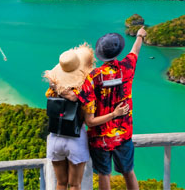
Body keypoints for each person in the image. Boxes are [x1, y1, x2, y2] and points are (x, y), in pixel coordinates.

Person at [44, 44, 129, 190]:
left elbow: (57, 95)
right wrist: (114, 114)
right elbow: (90, 121)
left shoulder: (53, 90)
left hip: (55, 138)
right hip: (75, 139)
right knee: (75, 184)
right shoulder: (86, 93)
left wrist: (57, 86)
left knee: (61, 183)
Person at [79, 26, 147, 190]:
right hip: (123, 135)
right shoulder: (126, 68)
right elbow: (135, 51)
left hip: (99, 138)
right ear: (117, 52)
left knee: (104, 175)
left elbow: (89, 120)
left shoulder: (92, 78)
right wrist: (140, 36)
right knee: (129, 172)